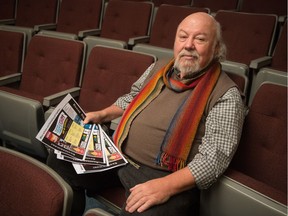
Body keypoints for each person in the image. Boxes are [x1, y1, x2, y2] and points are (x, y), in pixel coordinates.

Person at [47, 12, 245, 216]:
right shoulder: (158, 68)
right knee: (60, 158)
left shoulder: (226, 94)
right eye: (183, 36)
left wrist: (166, 186)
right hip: (118, 154)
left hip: (164, 175)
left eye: (200, 39)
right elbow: (132, 98)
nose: (188, 45)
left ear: (217, 48)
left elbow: (213, 160)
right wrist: (102, 114)